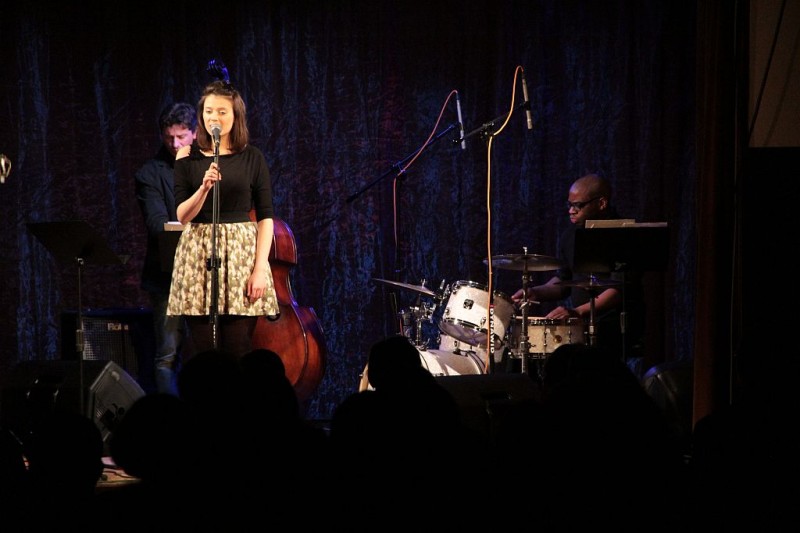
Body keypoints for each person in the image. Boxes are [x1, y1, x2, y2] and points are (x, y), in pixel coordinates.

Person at [167, 80, 279, 358]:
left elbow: (266, 216)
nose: (213, 118)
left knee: (238, 348)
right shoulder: (187, 155)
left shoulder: (252, 157)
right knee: (203, 352)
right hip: (198, 254)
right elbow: (182, 216)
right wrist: (203, 188)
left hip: (241, 256)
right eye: (208, 111)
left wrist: (260, 269)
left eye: (221, 112)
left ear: (235, 115)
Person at [511, 173, 646, 365]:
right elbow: (563, 281)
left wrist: (577, 312)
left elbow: (618, 290)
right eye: (569, 205)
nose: (571, 211)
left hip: (614, 327)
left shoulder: (624, 235)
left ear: (601, 203)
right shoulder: (571, 235)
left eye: (578, 205)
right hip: (581, 325)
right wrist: (534, 292)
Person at [135, 102, 197, 395]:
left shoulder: (209, 167)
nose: (174, 144)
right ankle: (171, 417)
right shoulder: (149, 173)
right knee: (167, 355)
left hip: (207, 275)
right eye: (169, 137)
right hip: (167, 276)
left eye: (181, 136)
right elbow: (156, 223)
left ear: (194, 133)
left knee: (208, 353)